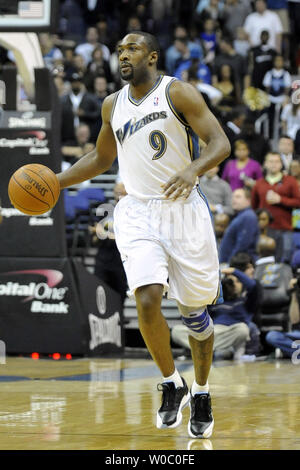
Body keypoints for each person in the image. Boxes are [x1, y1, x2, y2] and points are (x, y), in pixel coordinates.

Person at [56, 31, 231, 439]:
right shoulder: (111, 104)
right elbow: (101, 157)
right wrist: (55, 181)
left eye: (131, 48)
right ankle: (172, 383)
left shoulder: (178, 93)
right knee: (147, 297)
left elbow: (220, 142)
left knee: (195, 312)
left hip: (184, 211)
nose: (123, 55)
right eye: (119, 50)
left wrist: (193, 169)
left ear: (152, 56)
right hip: (137, 211)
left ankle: (201, 391)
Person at [251, 151, 300, 262]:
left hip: (285, 228)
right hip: (265, 229)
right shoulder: (259, 184)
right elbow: (254, 207)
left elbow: (298, 202)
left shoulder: (290, 181)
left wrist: (280, 200)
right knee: (264, 259)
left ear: (281, 164)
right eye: (271, 161)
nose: (274, 164)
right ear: (265, 164)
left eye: (277, 161)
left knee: (285, 259)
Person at [219, 188, 259, 263]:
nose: (234, 199)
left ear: (248, 200)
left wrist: (231, 262)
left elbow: (243, 244)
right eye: (233, 197)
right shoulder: (241, 216)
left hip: (239, 264)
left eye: (238, 197)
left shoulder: (248, 216)